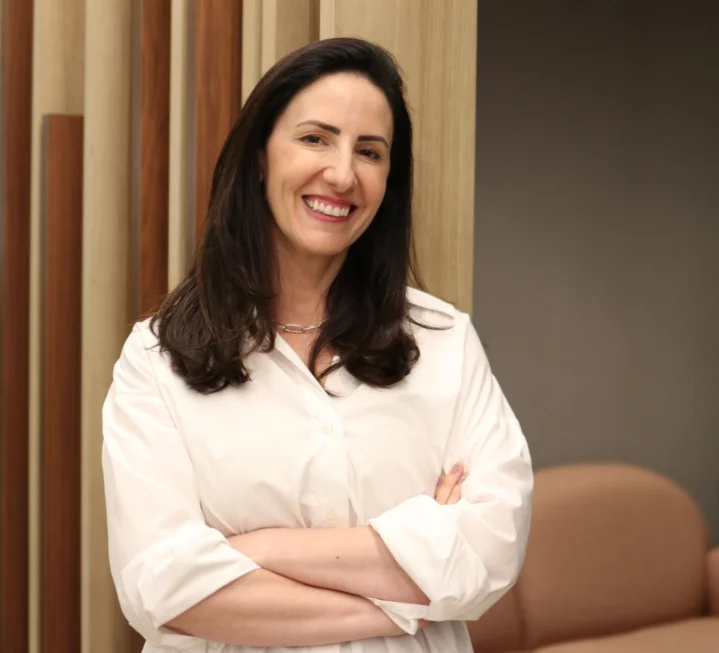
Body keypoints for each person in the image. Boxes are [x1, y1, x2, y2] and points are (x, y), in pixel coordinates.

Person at [101, 37, 533, 653]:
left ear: (389, 179)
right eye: (315, 139)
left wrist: (257, 550)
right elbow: (161, 586)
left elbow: (490, 553)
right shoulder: (155, 359)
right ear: (260, 156)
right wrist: (414, 594)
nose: (342, 173)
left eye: (369, 151)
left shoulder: (443, 342)